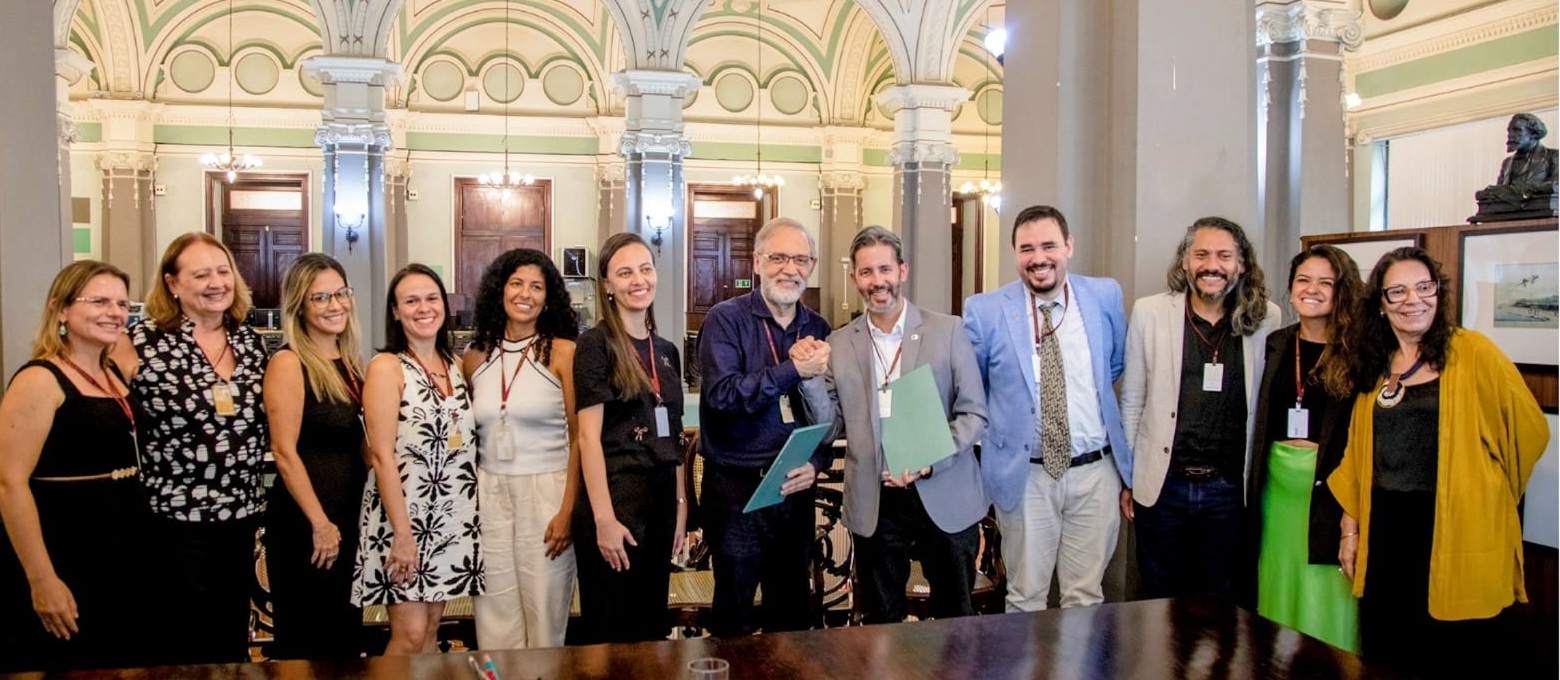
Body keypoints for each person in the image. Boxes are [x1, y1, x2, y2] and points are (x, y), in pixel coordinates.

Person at [1328, 247, 1547, 676]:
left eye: (1424, 287)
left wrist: (1487, 494)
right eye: (1399, 291)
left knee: (1454, 651)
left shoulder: (1475, 353)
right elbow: (1358, 454)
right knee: (1389, 646)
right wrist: (1350, 530)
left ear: (1439, 294)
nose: (1414, 299)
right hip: (1387, 527)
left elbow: (1529, 431)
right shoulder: (1377, 361)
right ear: (1382, 303)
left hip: (1456, 525)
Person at [800, 225, 988, 624]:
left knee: (956, 620)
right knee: (881, 624)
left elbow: (974, 414)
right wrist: (811, 379)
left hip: (944, 491)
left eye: (885, 269)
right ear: (854, 279)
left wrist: (929, 459)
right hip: (876, 501)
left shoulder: (948, 330)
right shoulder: (838, 343)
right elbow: (830, 427)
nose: (877, 281)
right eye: (866, 272)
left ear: (903, 271)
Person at [110, 232, 270, 665]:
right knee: (179, 641)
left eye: (223, 272)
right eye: (201, 274)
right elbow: (102, 410)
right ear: (172, 284)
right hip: (174, 521)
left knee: (229, 640)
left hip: (240, 516)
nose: (216, 282)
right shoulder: (141, 342)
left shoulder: (251, 343)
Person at [962, 205, 1130, 611]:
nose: (1039, 258)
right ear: (1015, 253)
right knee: (1025, 598)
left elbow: (1115, 364)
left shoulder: (1104, 295)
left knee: (1085, 597)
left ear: (1069, 246)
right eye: (1027, 249)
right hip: (1026, 478)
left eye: (1049, 245)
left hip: (1096, 474)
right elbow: (973, 388)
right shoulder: (985, 311)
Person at [0, 261, 155, 672]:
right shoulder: (39, 379)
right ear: (61, 309)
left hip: (119, 547)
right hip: (67, 547)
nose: (115, 312)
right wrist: (41, 578)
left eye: (122, 303)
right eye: (99, 301)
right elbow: (8, 483)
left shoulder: (112, 373)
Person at [1119, 217, 1280, 601]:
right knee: (1158, 600)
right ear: (1185, 262)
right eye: (1201, 254)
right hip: (1163, 486)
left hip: (1229, 490)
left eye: (1224, 256)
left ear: (1241, 264)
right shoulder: (1150, 313)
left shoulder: (1267, 318)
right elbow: (1133, 400)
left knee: (1222, 604)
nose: (1212, 265)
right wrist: (1128, 477)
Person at [697, 217, 833, 635]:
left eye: (799, 259)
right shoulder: (725, 320)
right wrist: (791, 369)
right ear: (757, 262)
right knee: (734, 616)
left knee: (792, 614)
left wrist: (817, 461)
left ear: (811, 266)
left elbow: (826, 414)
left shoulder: (818, 327)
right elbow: (723, 398)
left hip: (794, 489)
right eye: (777, 258)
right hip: (738, 491)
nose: (788, 269)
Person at [352, 264, 483, 654]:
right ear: (395, 311)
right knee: (408, 636)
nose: (423, 308)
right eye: (411, 301)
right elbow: (380, 455)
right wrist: (403, 535)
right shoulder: (386, 368)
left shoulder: (456, 366)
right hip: (404, 519)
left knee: (428, 632)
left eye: (431, 298)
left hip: (449, 515)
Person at [1242, 245, 1363, 652]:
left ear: (1342, 290)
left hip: (1331, 493)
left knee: (1326, 600)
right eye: (1303, 281)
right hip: (1276, 495)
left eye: (1325, 282)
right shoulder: (1276, 343)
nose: (1312, 290)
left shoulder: (1361, 353)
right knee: (1279, 591)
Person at [462, 249, 582, 649]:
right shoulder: (475, 356)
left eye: (536, 286)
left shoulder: (563, 352)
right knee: (493, 617)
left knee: (545, 617)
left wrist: (567, 511)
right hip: (489, 492)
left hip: (546, 492)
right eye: (516, 283)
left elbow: (579, 437)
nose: (525, 294)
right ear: (500, 291)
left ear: (548, 298)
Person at [572, 232, 688, 643]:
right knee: (612, 632)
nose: (638, 280)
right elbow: (587, 439)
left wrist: (680, 505)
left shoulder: (668, 350)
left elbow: (672, 436)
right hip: (615, 502)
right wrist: (604, 520)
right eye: (624, 273)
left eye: (645, 269)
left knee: (652, 629)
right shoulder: (594, 345)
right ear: (606, 284)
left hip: (659, 504)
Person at [262, 254, 368, 659]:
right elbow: (284, 452)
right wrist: (319, 522)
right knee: (308, 642)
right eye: (320, 297)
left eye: (340, 293)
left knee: (344, 637)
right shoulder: (289, 363)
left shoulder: (350, 364)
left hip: (347, 515)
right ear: (300, 307)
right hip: (307, 523)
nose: (334, 305)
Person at [1474, 112, 1558, 213]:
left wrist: (1519, 190)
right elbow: (1499, 191)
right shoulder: (1507, 162)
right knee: (1483, 194)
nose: (1510, 135)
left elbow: (1555, 185)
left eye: (1517, 130)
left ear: (1533, 134)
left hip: (1538, 204)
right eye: (1509, 131)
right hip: (1511, 206)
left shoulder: (1553, 156)